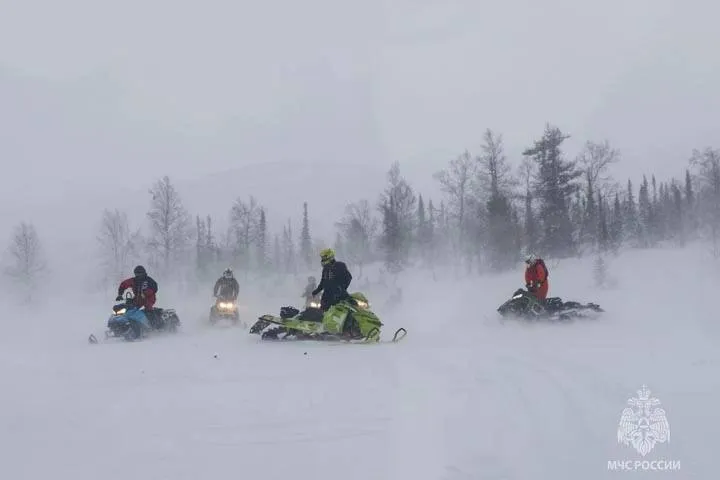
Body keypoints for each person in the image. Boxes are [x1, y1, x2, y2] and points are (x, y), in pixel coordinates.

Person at [116, 265, 159, 330]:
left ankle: (153, 325)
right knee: (130, 308)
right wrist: (120, 294)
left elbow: (154, 287)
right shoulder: (134, 280)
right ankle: (128, 323)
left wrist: (146, 293)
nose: (138, 275)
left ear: (144, 273)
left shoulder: (149, 280)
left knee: (148, 308)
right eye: (137, 274)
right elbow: (124, 284)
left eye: (140, 273)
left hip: (149, 298)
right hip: (138, 298)